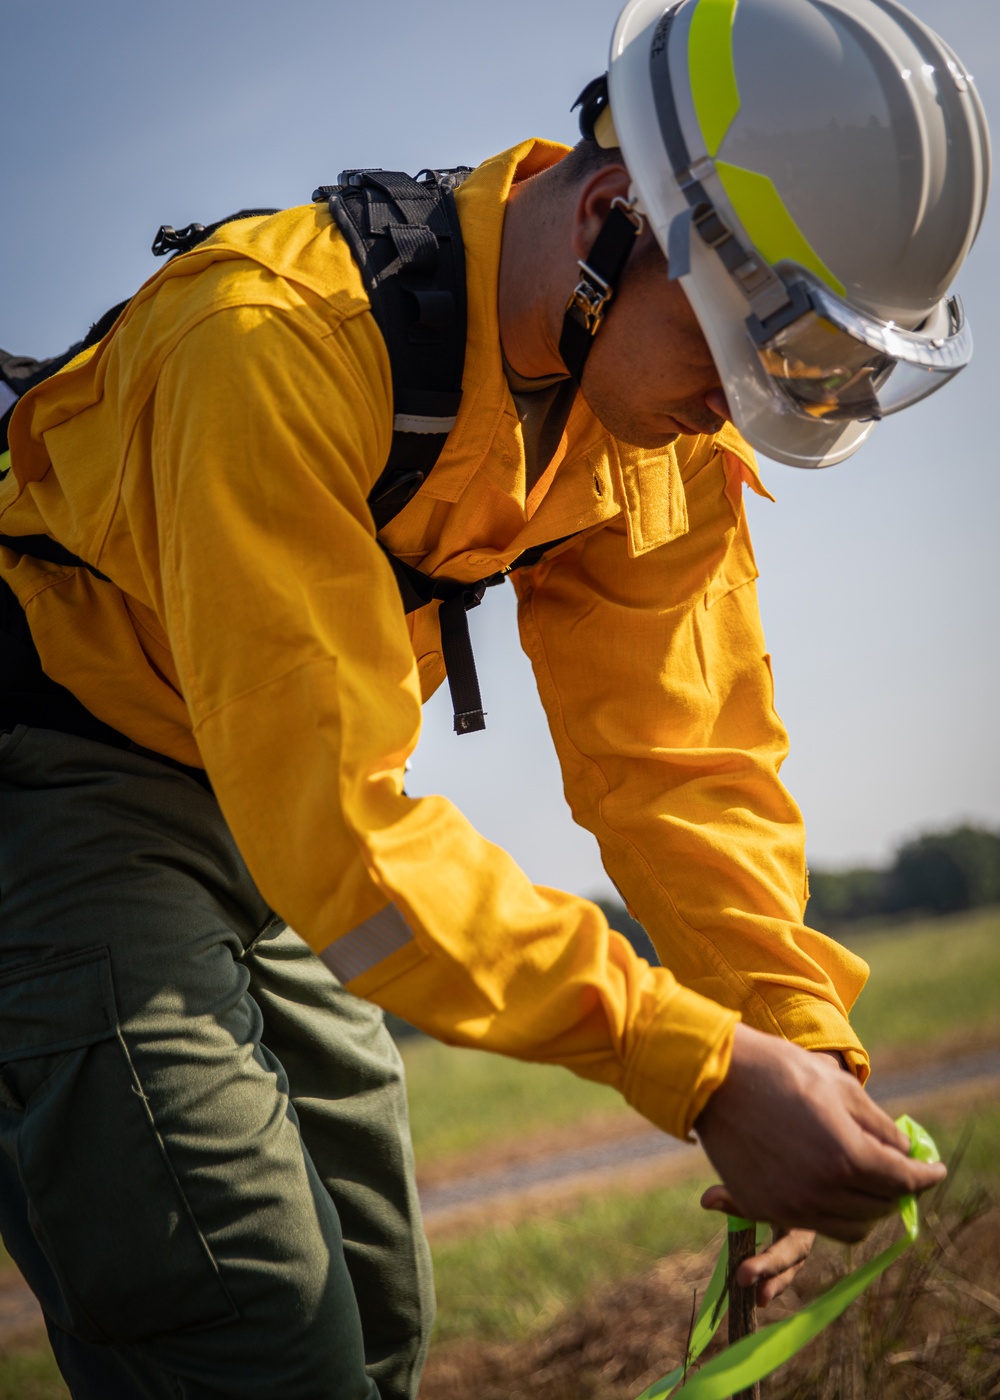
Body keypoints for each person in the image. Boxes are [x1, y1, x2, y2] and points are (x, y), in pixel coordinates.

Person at [0, 0, 987, 1396]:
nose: (738, 406)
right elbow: (341, 834)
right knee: (248, 1327)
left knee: (379, 1306)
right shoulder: (268, 345)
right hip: (57, 784)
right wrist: (700, 1072)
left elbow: (684, 764)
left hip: (256, 802)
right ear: (609, 212)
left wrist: (796, 1049)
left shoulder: (651, 408)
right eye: (730, 352)